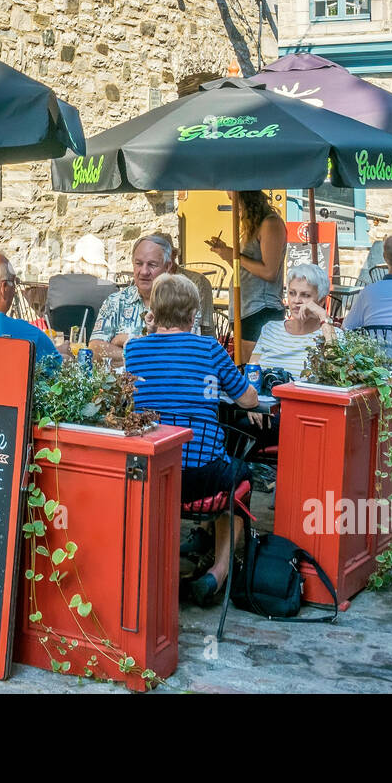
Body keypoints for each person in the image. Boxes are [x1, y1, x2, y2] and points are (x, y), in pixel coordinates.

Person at [123, 274, 258, 607]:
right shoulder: (208, 348)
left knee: (216, 464)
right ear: (193, 314)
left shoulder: (134, 349)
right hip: (203, 481)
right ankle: (219, 570)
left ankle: (171, 561)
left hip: (154, 475)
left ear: (152, 311)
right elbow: (249, 400)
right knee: (242, 473)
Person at [205, 190, 287, 363]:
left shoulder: (270, 224)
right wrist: (226, 254)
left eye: (233, 199)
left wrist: (235, 255)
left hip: (260, 309)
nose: (233, 206)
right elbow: (245, 270)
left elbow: (269, 272)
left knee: (254, 373)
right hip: (245, 309)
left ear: (245, 198)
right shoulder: (253, 226)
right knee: (245, 370)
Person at [89, 234, 196, 362]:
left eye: (152, 265)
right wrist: (134, 348)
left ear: (167, 266)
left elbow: (185, 351)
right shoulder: (116, 301)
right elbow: (95, 348)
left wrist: (122, 341)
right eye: (139, 264)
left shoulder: (183, 301)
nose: (144, 271)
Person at [251, 263, 340, 378]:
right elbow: (251, 372)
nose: (296, 300)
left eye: (306, 295)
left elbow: (336, 373)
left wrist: (323, 315)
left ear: (322, 300)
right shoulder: (270, 329)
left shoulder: (332, 335)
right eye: (292, 293)